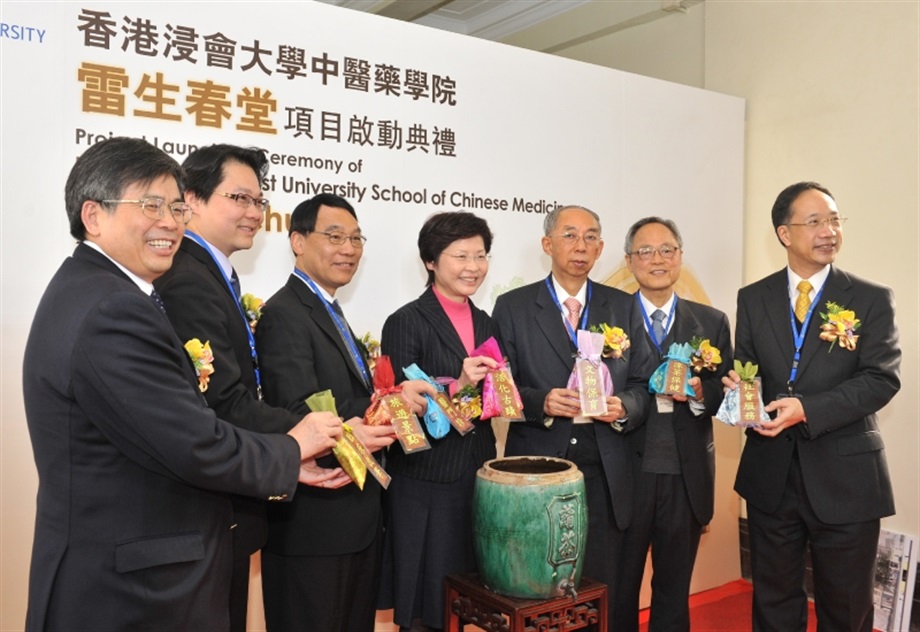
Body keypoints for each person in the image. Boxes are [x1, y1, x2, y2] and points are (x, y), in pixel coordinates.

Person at [22, 137, 348, 631]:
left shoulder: (93, 289)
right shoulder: (112, 308)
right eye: (150, 205)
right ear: (94, 216)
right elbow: (195, 442)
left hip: (127, 570)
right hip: (131, 589)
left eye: (176, 206)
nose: (171, 222)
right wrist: (290, 448)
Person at [154, 144, 337, 631]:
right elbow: (223, 403)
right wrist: (313, 433)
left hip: (230, 498)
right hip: (208, 503)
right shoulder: (188, 279)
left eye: (259, 201)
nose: (255, 213)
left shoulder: (213, 274)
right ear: (190, 199)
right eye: (240, 198)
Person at [724, 182, 900, 632]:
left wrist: (807, 409)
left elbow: (881, 379)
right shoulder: (754, 297)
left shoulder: (869, 298)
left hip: (847, 479)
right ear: (785, 233)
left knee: (845, 606)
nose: (830, 231)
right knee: (774, 601)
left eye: (835, 220)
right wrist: (742, 393)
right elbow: (748, 369)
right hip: (771, 475)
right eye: (816, 221)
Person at [255, 193, 435, 632]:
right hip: (314, 525)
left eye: (356, 238)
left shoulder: (329, 310)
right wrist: (389, 404)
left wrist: (393, 397)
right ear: (297, 241)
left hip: (354, 519)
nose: (349, 248)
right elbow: (299, 411)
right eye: (334, 236)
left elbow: (348, 400)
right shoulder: (284, 313)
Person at [492, 205, 655, 630]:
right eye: (569, 235)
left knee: (607, 582)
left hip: (607, 465)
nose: (580, 246)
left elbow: (642, 383)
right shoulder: (513, 306)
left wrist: (626, 407)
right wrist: (540, 402)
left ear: (601, 248)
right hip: (539, 467)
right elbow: (498, 388)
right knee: (539, 585)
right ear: (548, 244)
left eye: (590, 237)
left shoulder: (623, 306)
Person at [378, 211, 500, 632]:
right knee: (424, 608)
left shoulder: (487, 322)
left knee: (468, 601)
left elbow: (491, 404)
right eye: (460, 256)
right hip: (426, 481)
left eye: (481, 256)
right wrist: (463, 387)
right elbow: (402, 416)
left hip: (478, 475)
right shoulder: (405, 321)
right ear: (430, 261)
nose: (473, 267)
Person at [613, 217, 732, 632]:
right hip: (625, 474)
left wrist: (702, 394)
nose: (657, 259)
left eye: (667, 250)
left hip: (686, 474)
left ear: (680, 257)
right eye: (645, 251)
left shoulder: (712, 322)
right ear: (629, 261)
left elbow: (725, 392)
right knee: (619, 587)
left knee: (673, 588)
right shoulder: (607, 317)